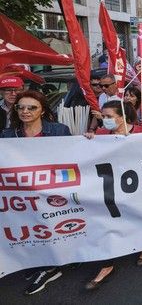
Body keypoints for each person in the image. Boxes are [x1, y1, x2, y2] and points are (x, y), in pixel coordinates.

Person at [1, 90, 70, 294]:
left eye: (32, 107)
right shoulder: (7, 135)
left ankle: (51, 266)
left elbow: (74, 156)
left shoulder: (59, 130)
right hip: (21, 194)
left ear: (42, 110)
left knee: (50, 225)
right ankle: (39, 261)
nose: (25, 111)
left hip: (51, 191)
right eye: (20, 107)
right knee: (28, 226)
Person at [83, 100, 142, 289]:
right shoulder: (101, 134)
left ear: (123, 117)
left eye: (109, 117)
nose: (105, 120)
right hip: (109, 187)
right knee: (107, 222)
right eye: (103, 117)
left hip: (138, 185)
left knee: (138, 216)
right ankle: (107, 263)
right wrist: (86, 140)